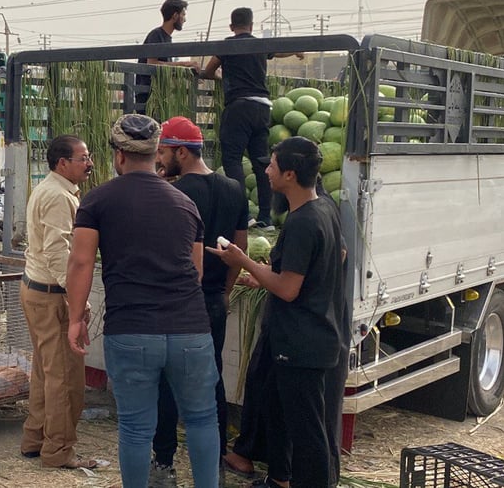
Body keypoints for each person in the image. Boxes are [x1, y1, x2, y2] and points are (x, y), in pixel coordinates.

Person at [66, 114, 220, 488]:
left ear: (119, 155)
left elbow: (81, 261)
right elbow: (197, 273)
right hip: (190, 330)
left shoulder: (97, 200)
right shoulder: (185, 203)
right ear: (156, 154)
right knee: (202, 419)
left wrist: (75, 318)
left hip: (131, 329)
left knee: (136, 426)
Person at [207, 136, 345, 488]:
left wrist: (243, 262)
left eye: (270, 165)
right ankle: (280, 479)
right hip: (314, 334)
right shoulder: (324, 209)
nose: (265, 171)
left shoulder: (302, 222)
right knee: (284, 414)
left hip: (300, 342)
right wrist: (266, 275)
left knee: (308, 431)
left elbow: (288, 288)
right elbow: (330, 260)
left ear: (289, 174)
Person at [150, 117, 250, 484]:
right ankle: (215, 464)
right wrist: (224, 291)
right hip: (212, 300)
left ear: (181, 151)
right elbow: (240, 248)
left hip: (177, 301)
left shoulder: (174, 193)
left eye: (162, 152)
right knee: (211, 380)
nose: (159, 160)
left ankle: (163, 463)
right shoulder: (234, 189)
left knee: (168, 380)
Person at [19, 135, 96, 470]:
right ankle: (59, 451)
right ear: (63, 163)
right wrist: (76, 297)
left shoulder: (52, 190)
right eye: (83, 157)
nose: (89, 162)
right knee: (64, 376)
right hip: (50, 294)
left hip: (37, 290)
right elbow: (57, 252)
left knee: (46, 371)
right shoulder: (57, 197)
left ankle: (35, 438)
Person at [199, 7, 304, 230]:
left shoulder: (227, 45)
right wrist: (297, 51)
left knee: (232, 159)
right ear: (252, 26)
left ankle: (243, 215)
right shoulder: (259, 45)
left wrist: (220, 77)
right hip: (262, 107)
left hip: (239, 106)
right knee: (261, 163)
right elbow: (279, 51)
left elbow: (208, 71)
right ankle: (265, 217)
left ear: (231, 27)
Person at [140, 0, 201, 69]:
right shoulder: (156, 35)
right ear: (175, 16)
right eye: (183, 15)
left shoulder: (166, 37)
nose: (185, 20)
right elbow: (151, 63)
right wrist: (184, 64)